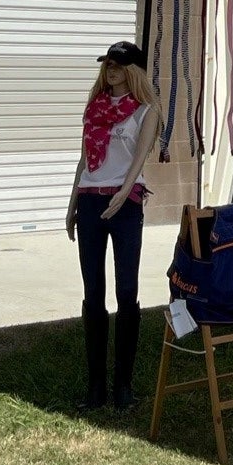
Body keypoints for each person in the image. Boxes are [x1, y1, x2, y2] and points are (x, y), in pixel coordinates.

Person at [66, 41, 162, 410]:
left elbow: (138, 160)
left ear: (133, 71)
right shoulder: (94, 107)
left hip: (125, 204)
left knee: (126, 290)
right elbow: (84, 160)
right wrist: (72, 204)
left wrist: (123, 193)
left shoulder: (145, 111)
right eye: (108, 64)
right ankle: (96, 386)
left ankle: (123, 385)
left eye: (119, 65)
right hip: (91, 201)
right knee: (93, 292)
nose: (112, 70)